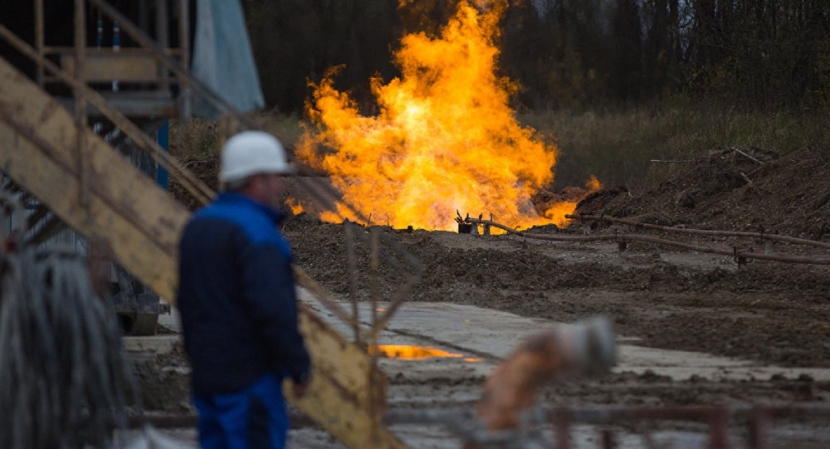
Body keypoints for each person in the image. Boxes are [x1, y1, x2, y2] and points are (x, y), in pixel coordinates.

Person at [177, 131, 311, 449]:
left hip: (207, 379)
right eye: (274, 179)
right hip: (251, 383)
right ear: (256, 180)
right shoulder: (258, 233)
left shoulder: (197, 226)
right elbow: (274, 310)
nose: (279, 188)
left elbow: (186, 300)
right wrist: (298, 366)